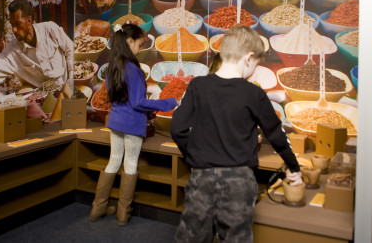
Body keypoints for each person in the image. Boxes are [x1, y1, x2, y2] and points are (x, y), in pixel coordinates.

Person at [170, 25, 302, 242]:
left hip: (201, 176)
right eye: (257, 64)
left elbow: (177, 129)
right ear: (249, 58)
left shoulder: (198, 85)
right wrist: (293, 167)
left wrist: (193, 156)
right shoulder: (254, 93)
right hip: (239, 180)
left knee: (192, 237)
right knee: (235, 238)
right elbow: (276, 134)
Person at [89, 24, 178, 225]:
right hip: (132, 123)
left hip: (116, 121)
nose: (139, 49)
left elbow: (115, 97)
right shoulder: (134, 69)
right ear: (129, 42)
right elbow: (139, 102)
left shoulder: (113, 66)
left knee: (113, 161)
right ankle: (123, 214)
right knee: (130, 164)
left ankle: (97, 208)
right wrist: (169, 102)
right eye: (139, 45)